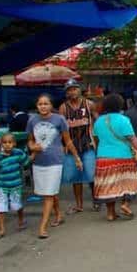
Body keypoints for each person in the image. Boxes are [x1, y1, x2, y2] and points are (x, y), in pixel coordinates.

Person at [27, 94, 82, 239]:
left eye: (46, 103)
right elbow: (30, 141)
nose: (43, 106)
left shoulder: (59, 120)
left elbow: (68, 141)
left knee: (48, 195)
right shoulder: (32, 120)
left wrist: (77, 158)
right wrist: (33, 147)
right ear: (37, 106)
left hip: (55, 161)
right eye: (40, 104)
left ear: (51, 106)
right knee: (48, 192)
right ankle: (58, 215)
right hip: (39, 162)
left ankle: (42, 227)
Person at [93, 93, 137, 221]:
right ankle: (125, 204)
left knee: (109, 186)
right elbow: (132, 139)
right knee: (129, 182)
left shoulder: (99, 121)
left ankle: (110, 213)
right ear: (120, 105)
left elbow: (96, 140)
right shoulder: (123, 120)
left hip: (104, 158)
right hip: (124, 156)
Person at [58, 79, 96, 214]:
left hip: (88, 144)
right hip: (71, 145)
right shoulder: (63, 108)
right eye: (69, 90)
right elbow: (61, 128)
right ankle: (79, 205)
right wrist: (62, 144)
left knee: (91, 174)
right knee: (76, 177)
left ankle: (96, 200)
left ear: (79, 89)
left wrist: (95, 136)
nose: (72, 91)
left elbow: (97, 120)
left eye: (74, 88)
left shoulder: (89, 104)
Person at [0, 133, 30, 239]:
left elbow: (26, 162)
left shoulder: (18, 153)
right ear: (1, 144)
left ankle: (21, 220)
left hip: (15, 185)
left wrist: (33, 155)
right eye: (5, 142)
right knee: (1, 205)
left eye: (10, 142)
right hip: (1, 185)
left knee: (16, 204)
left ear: (14, 143)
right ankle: (1, 229)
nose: (7, 145)